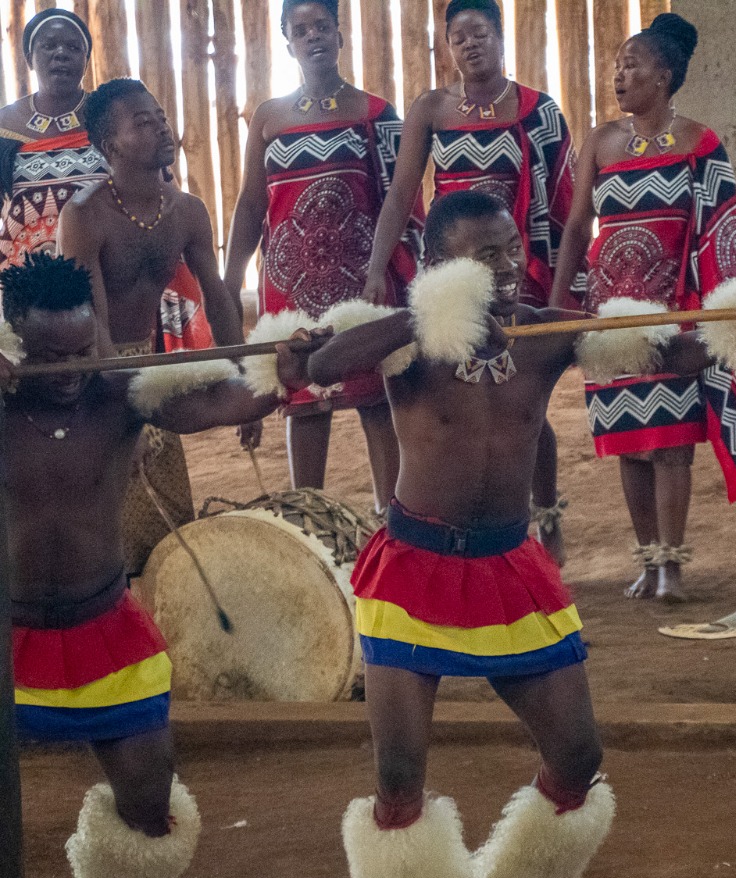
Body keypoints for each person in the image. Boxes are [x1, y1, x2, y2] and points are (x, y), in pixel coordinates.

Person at [309, 191, 706, 878]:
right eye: (479, 256)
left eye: (508, 250)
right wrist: (428, 320)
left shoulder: (543, 332)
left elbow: (667, 353)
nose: (503, 268)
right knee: (399, 773)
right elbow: (322, 365)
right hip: (413, 567)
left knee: (578, 754)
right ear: (435, 269)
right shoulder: (401, 342)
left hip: (508, 568)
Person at [0, 252, 306, 878]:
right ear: (17, 345)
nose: (71, 369)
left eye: (83, 350)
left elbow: (223, 400)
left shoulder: (121, 399)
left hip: (103, 627)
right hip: (8, 637)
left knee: (147, 802)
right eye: (51, 356)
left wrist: (283, 374)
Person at [550, 13, 736, 602]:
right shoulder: (600, 140)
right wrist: (560, 306)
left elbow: (724, 233)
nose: (620, 74)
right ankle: (647, 557)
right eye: (617, 65)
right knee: (626, 439)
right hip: (609, 313)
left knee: (669, 443)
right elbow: (574, 228)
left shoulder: (701, 142)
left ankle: (672, 563)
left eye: (632, 65)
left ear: (664, 76)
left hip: (674, 311)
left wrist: (717, 321)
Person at [364, 0, 570, 560]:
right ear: (448, 47)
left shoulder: (540, 112)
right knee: (453, 386)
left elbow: (565, 205)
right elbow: (402, 192)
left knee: (523, 400)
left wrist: (556, 292)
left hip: (515, 268)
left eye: (480, 33)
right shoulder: (431, 108)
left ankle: (545, 514)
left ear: (500, 38)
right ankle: (433, 511)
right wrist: (377, 266)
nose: (470, 44)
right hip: (453, 273)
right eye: (458, 37)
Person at [224, 0, 421, 515]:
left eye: (322, 27)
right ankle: (306, 523)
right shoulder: (268, 117)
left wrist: (380, 268)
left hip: (361, 280)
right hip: (289, 282)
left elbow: (400, 202)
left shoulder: (376, 113)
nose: (312, 37)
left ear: (339, 35)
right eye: (300, 30)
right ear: (287, 42)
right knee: (303, 402)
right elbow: (251, 202)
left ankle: (392, 521)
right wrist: (231, 272)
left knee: (375, 397)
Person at [59, 78, 245, 576]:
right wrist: (120, 408)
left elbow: (219, 297)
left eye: (160, 117)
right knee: (106, 536)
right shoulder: (84, 216)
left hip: (148, 365)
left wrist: (247, 378)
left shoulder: (185, 211)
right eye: (143, 122)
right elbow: (90, 322)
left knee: (168, 533)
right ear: (109, 144)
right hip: (90, 375)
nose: (162, 127)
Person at [0, 10, 213, 354]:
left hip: (111, 287)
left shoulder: (116, 120)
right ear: (29, 57)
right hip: (28, 290)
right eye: (48, 46)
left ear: (86, 59)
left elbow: (155, 195)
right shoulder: (4, 128)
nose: (61, 54)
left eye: (72, 47)